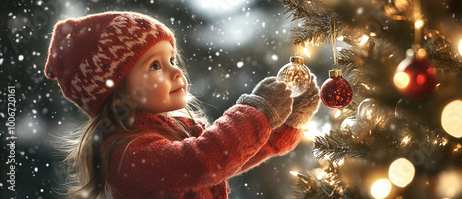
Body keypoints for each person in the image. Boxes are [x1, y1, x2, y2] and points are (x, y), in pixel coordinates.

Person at [44, 11, 320, 199]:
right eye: (155, 66)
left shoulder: (173, 129)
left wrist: (283, 124)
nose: (176, 72)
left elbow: (228, 160)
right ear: (117, 93)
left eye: (172, 60)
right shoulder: (127, 154)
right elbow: (202, 162)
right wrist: (257, 112)